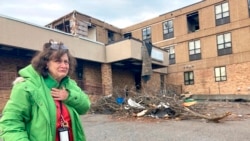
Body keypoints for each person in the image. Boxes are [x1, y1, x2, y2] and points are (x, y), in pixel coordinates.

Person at [0, 39, 91, 141]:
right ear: (46, 63)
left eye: (66, 62)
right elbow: (10, 123)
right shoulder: (26, 87)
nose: (64, 65)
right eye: (58, 61)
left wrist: (68, 96)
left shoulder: (69, 84)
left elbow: (85, 107)